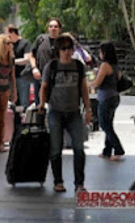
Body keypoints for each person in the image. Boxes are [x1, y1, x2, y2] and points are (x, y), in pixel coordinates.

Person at [37, 35, 91, 193]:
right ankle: (58, 181)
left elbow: (84, 89)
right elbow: (44, 87)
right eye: (64, 49)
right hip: (56, 112)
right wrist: (42, 103)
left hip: (74, 112)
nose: (67, 52)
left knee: (79, 148)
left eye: (70, 48)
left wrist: (88, 110)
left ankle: (79, 184)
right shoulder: (51, 67)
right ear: (58, 51)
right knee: (55, 149)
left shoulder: (79, 66)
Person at [89, 42, 124, 161]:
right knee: (108, 124)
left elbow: (97, 83)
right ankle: (107, 150)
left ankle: (118, 149)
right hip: (114, 97)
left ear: (104, 53)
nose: (99, 54)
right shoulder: (116, 66)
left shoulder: (104, 65)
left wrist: (87, 84)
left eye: (100, 51)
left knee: (104, 124)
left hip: (105, 98)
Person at [29, 18, 62, 105]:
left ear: (59, 29)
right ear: (48, 28)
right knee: (39, 105)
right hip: (40, 78)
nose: (53, 28)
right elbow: (32, 55)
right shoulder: (41, 39)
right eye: (51, 26)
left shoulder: (63, 42)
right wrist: (34, 68)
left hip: (57, 80)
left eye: (55, 26)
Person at [5, 24, 31, 109]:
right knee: (10, 101)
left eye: (7, 34)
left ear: (12, 33)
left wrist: (12, 62)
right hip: (10, 77)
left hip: (22, 77)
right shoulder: (8, 44)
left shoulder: (25, 43)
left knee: (24, 101)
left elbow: (26, 59)